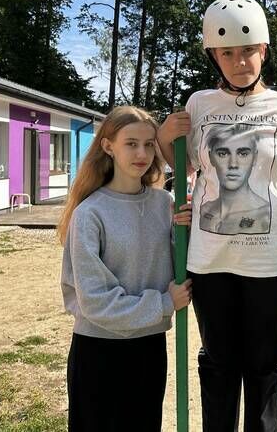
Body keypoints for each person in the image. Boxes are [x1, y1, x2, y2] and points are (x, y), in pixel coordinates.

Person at [157, 0, 277, 431]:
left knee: (264, 363)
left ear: (263, 50)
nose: (239, 61)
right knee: (218, 361)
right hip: (210, 259)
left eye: (248, 50)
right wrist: (165, 138)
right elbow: (183, 167)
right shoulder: (200, 104)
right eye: (227, 53)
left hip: (270, 259)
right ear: (214, 56)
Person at [58, 106, 193, 432]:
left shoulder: (164, 204)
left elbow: (178, 267)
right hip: (99, 351)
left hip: (149, 347)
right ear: (108, 146)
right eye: (131, 144)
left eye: (149, 145)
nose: (142, 154)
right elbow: (94, 302)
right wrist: (164, 303)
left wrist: (184, 233)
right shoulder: (90, 213)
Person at [200, 123, 270, 234]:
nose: (233, 164)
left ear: (255, 158)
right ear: (210, 157)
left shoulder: (265, 214)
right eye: (223, 154)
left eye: (243, 154)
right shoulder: (204, 210)